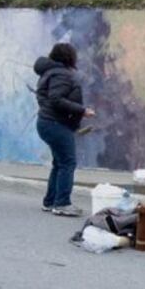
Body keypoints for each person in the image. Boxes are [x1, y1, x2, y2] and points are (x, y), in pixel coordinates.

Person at [34, 43, 95, 217]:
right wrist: (82, 110)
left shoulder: (49, 72)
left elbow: (51, 98)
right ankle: (62, 203)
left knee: (59, 163)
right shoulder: (61, 74)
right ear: (69, 57)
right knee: (68, 163)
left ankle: (50, 201)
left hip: (48, 122)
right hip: (56, 124)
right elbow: (56, 99)